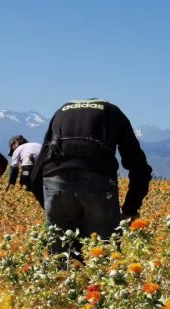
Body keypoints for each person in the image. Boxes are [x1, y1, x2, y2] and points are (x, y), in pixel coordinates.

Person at [29, 98, 152, 256]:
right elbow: (139, 168)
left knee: (60, 258)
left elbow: (36, 173)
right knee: (103, 255)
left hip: (54, 177)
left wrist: (50, 208)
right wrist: (130, 209)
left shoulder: (61, 111)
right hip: (97, 177)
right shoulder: (113, 112)